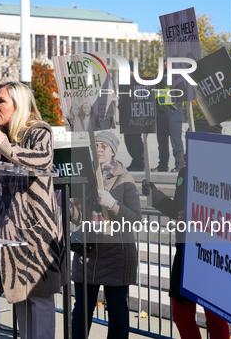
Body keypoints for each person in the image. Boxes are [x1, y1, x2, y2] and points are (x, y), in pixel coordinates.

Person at [0, 81, 66, 338]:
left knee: (39, 296)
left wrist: (6, 147)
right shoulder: (3, 136)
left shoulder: (39, 130)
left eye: (2, 101)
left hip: (36, 232)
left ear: (18, 104)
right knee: (20, 297)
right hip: (11, 231)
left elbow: (42, 161)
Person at [142, 119, 229, 339]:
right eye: (189, 136)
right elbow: (177, 210)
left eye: (195, 137)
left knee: (215, 319)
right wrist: (155, 196)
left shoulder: (225, 173)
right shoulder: (184, 172)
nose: (190, 142)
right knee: (181, 316)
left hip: (212, 255)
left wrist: (201, 218)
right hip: (185, 253)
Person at [71, 131, 141, 339]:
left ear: (112, 151)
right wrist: (66, 205)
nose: (99, 149)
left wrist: (113, 204)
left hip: (116, 255)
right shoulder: (86, 176)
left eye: (104, 146)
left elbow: (136, 219)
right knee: (81, 310)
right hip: (88, 253)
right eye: (97, 145)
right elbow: (79, 217)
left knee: (117, 312)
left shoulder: (125, 179)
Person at [153, 99, 184, 173]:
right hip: (160, 112)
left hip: (173, 110)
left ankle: (180, 164)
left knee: (176, 141)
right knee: (161, 141)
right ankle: (163, 165)